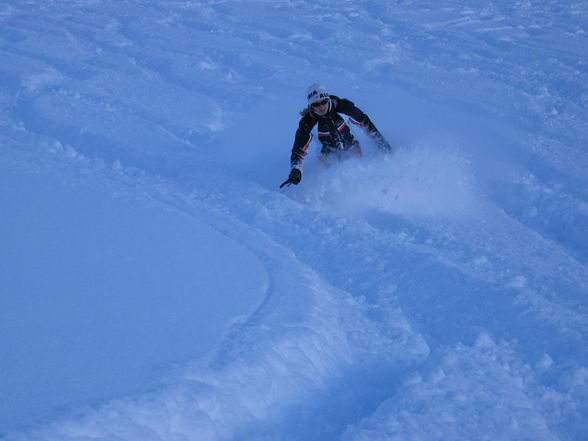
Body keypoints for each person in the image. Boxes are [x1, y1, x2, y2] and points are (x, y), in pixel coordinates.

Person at [280, 83, 392, 188]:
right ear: (311, 106)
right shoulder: (308, 122)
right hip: (328, 157)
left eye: (323, 101)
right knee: (339, 183)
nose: (321, 107)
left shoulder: (343, 107)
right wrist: (296, 170)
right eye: (316, 104)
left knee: (361, 178)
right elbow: (298, 149)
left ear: (327, 98)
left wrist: (381, 142)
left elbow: (365, 123)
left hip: (352, 148)